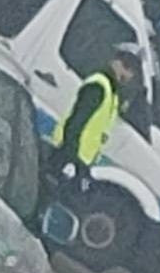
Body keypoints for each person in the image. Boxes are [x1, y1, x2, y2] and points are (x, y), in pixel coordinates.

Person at [46, 49, 144, 189]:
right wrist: (72, 159)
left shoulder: (111, 92)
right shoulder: (99, 87)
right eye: (129, 71)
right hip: (67, 154)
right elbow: (76, 123)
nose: (129, 77)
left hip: (77, 158)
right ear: (120, 65)